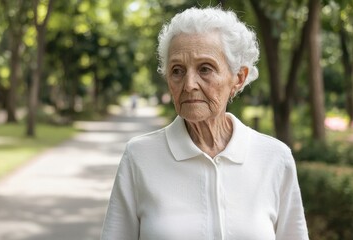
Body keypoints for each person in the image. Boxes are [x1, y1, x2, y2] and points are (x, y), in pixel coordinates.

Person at [101, 6, 308, 240]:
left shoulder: (275, 158)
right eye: (177, 70)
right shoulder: (139, 156)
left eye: (205, 69)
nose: (189, 84)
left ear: (238, 78)